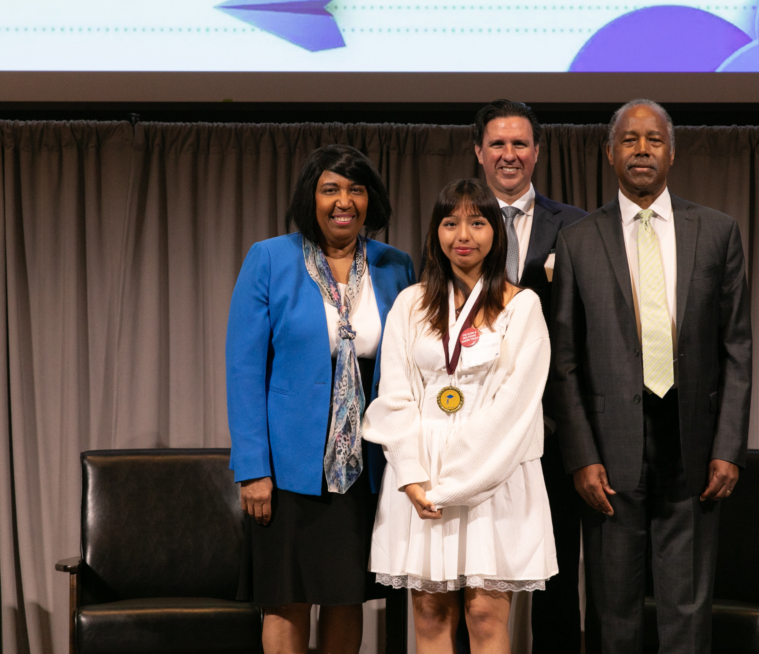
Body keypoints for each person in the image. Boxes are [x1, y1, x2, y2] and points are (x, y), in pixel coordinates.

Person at [550, 100, 752, 654]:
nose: (642, 150)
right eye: (630, 140)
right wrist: (581, 456)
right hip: (607, 456)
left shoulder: (717, 231)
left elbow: (736, 348)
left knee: (687, 612)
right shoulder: (578, 240)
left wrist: (729, 447)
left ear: (672, 153)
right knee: (613, 615)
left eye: (654, 139)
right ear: (609, 153)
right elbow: (564, 362)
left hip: (694, 450)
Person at [226, 144, 416, 654]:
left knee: (344, 597)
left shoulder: (396, 266)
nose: (343, 201)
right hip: (288, 470)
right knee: (285, 599)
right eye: (330, 189)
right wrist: (253, 469)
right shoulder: (270, 258)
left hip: (364, 466)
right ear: (310, 198)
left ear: (371, 200)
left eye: (356, 190)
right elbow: (244, 371)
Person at [364, 178, 558, 654]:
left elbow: (515, 408)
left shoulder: (522, 305)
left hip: (493, 473)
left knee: (485, 616)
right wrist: (412, 476)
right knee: (430, 616)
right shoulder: (411, 304)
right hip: (421, 478)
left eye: (477, 222)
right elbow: (394, 395)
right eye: (451, 223)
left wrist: (456, 484)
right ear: (436, 232)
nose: (463, 235)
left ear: (496, 232)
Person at [472, 99, 586, 654]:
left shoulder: (579, 227)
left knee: (556, 579)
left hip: (555, 431)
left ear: (537, 152)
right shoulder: (459, 223)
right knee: (472, 580)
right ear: (479, 152)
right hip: (474, 432)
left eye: (520, 143)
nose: (509, 154)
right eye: (497, 143)